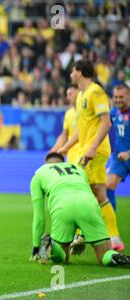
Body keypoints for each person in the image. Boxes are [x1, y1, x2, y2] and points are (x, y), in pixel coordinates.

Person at [58, 59, 124, 251]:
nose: (70, 74)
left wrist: (93, 147)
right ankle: (92, 235)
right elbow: (80, 128)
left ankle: (106, 236)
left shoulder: (96, 92)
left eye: (73, 70)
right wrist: (66, 147)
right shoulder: (81, 97)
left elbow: (106, 122)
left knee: (94, 192)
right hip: (84, 150)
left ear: (79, 72)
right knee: (92, 193)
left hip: (95, 151)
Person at [30, 152, 130, 268]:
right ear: (63, 162)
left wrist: (36, 249)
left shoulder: (39, 174)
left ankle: (51, 245)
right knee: (104, 254)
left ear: (46, 163)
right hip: (88, 204)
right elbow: (86, 195)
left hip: (63, 207)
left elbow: (39, 218)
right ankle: (113, 256)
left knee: (62, 258)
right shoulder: (78, 170)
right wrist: (82, 235)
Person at [106, 84, 130, 212]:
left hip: (127, 154)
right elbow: (103, 127)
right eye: (115, 97)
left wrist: (128, 153)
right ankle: (110, 228)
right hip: (118, 157)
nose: (118, 100)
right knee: (107, 187)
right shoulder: (114, 112)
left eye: (121, 97)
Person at [49, 84, 80, 164]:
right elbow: (65, 134)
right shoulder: (69, 113)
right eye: (67, 95)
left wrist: (65, 147)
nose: (68, 97)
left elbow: (80, 132)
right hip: (71, 156)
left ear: (79, 92)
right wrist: (54, 149)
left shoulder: (87, 112)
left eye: (70, 94)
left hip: (83, 154)